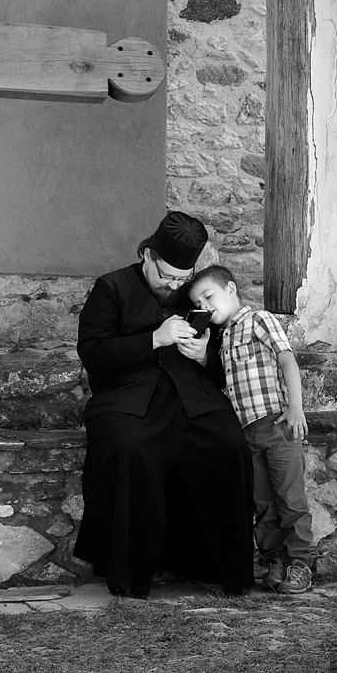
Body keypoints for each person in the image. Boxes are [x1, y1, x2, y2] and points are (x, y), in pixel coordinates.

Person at [73, 211, 256, 598]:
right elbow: (94, 353)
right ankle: (129, 574)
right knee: (129, 448)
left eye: (181, 279)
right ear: (147, 256)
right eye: (167, 276)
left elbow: (220, 367)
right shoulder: (111, 287)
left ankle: (217, 569)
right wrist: (153, 339)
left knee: (227, 444)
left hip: (191, 396)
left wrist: (204, 355)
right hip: (127, 398)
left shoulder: (191, 291)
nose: (174, 285)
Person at [188, 264, 315, 594]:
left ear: (230, 289)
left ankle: (301, 563)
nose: (204, 306)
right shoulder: (224, 335)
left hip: (277, 425)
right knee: (262, 505)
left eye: (208, 296)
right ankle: (275, 560)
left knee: (291, 500)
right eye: (198, 303)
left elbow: (286, 359)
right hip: (247, 434)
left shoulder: (259, 319)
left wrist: (296, 408)